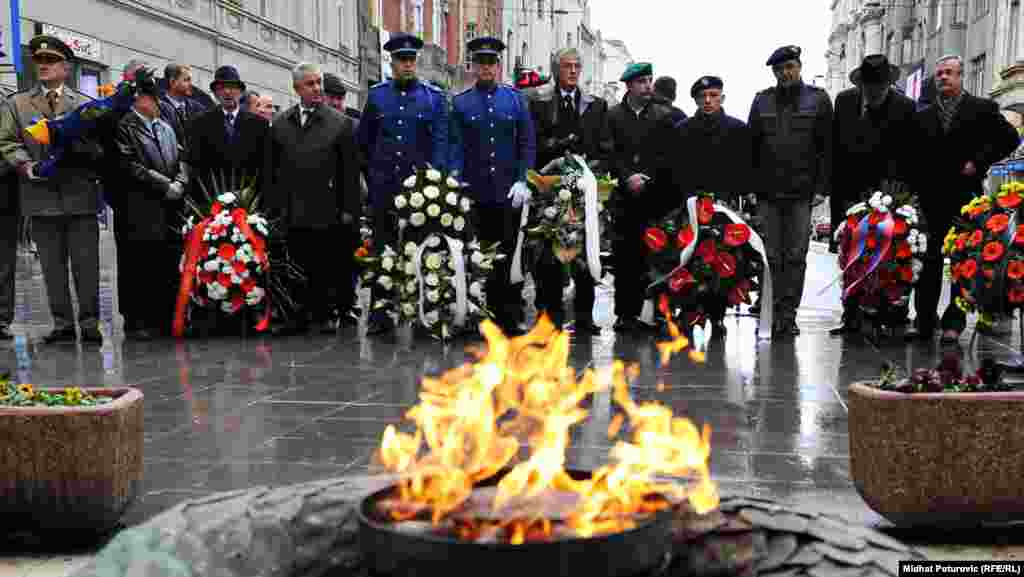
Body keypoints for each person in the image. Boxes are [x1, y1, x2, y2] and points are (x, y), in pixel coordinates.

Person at [907, 54, 1019, 344]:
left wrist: (979, 161)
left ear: (960, 76)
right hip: (931, 199)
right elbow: (912, 156)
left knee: (962, 261)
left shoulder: (982, 108)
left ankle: (953, 323)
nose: (943, 77)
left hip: (966, 199)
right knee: (929, 261)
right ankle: (924, 320)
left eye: (949, 73)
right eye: (939, 73)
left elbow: (1010, 139)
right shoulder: (923, 115)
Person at [0, 35, 103, 343]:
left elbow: (99, 145)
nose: (43, 66)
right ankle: (61, 324)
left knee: (86, 265)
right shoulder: (17, 103)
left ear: (66, 68)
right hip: (40, 196)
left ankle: (89, 322)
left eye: (50, 61)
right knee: (52, 267)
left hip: (79, 195)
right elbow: (6, 141)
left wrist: (82, 150)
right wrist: (24, 164)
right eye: (39, 61)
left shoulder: (85, 105)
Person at [358, 33, 449, 335]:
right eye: (401, 60)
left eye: (411, 60)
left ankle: (424, 311)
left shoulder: (433, 98)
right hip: (385, 187)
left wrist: (432, 181)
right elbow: (366, 142)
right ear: (392, 62)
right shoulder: (377, 96)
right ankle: (381, 312)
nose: (407, 65)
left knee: (422, 250)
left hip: (420, 191)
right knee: (383, 250)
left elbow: (439, 143)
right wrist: (372, 176)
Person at [654, 75, 752, 338]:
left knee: (723, 262)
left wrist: (736, 200)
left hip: (723, 208)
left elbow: (745, 169)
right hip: (691, 207)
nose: (708, 101)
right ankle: (689, 313)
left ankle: (718, 317)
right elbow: (675, 170)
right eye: (703, 97)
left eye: (713, 96)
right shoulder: (682, 130)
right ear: (696, 100)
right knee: (691, 262)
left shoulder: (738, 129)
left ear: (722, 98)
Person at [450, 36, 536, 335]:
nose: (486, 68)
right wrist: (455, 180)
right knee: (474, 256)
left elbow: (526, 143)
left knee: (509, 256)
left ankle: (509, 315)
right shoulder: (460, 103)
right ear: (472, 66)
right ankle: (475, 316)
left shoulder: (515, 100)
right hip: (474, 193)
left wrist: (524, 180)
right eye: (480, 62)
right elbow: (455, 146)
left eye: (491, 62)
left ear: (498, 66)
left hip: (507, 194)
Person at [267, 62, 361, 335]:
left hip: (327, 208)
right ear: (297, 88)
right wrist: (274, 208)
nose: (317, 88)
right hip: (292, 209)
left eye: (318, 82)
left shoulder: (339, 123)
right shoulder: (280, 123)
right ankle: (297, 314)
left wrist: (348, 209)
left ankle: (325, 313)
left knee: (326, 263)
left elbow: (349, 172)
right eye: (310, 84)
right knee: (295, 263)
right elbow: (272, 171)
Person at [748, 45, 833, 338]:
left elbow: (826, 147)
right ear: (774, 72)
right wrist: (750, 189)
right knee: (770, 255)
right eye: (780, 69)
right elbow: (752, 147)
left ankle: (789, 314)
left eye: (790, 67)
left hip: (801, 191)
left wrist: (822, 187)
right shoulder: (762, 101)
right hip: (768, 192)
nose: (785, 73)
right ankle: (771, 309)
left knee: (796, 255)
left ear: (799, 67)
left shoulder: (818, 100)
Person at [828, 54, 916, 337]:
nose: (874, 92)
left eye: (880, 87)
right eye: (870, 87)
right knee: (851, 255)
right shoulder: (843, 102)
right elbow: (835, 149)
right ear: (862, 86)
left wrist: (897, 199)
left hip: (889, 194)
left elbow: (908, 155)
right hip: (850, 193)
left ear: (889, 84)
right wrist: (835, 193)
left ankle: (890, 314)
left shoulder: (905, 107)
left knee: (890, 254)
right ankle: (851, 315)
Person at [528, 47, 609, 335]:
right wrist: (555, 155)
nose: (573, 71)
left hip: (584, 189)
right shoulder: (538, 101)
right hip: (550, 188)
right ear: (555, 69)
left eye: (577, 66)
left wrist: (593, 169)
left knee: (585, 253)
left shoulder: (595, 105)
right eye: (566, 66)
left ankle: (585, 316)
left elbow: (604, 146)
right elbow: (533, 143)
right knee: (548, 254)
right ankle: (549, 315)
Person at [114, 67, 189, 340]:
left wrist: (180, 181)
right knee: (138, 264)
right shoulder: (124, 126)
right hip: (139, 208)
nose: (157, 104)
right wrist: (164, 185)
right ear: (140, 100)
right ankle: (137, 320)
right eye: (152, 98)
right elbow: (131, 165)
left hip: (168, 207)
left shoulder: (166, 127)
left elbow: (182, 157)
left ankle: (163, 316)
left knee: (165, 261)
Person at [605, 62, 676, 332]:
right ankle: (625, 313)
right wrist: (627, 177)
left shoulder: (662, 115)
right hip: (623, 199)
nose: (648, 86)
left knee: (656, 256)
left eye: (650, 80)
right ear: (629, 86)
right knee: (624, 258)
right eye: (642, 81)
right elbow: (609, 152)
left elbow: (667, 155)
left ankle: (656, 312)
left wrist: (646, 177)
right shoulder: (612, 116)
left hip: (653, 197)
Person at [187, 65, 270, 201]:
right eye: (221, 88)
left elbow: (266, 167)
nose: (227, 92)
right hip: (212, 203)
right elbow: (195, 167)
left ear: (241, 92)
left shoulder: (259, 125)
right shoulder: (200, 123)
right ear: (214, 93)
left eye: (232, 87)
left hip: (248, 202)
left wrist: (249, 192)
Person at [159, 63, 199, 149]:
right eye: (186, 80)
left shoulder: (198, 109)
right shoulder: (157, 108)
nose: (191, 84)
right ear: (172, 82)